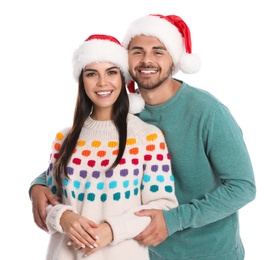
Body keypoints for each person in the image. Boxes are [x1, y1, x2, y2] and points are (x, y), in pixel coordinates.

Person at [30, 14, 256, 260]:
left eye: (158, 52)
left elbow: (242, 187)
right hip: (148, 251)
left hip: (208, 252)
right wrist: (39, 184)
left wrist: (173, 220)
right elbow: (88, 156)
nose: (147, 60)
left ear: (174, 60)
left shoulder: (207, 112)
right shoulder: (124, 111)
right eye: (137, 51)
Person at [33, 33, 178, 260]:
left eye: (111, 72)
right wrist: (62, 217)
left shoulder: (148, 137)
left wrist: (112, 230)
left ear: (122, 78)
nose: (102, 83)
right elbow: (49, 200)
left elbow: (163, 204)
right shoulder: (64, 138)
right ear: (82, 81)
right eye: (92, 74)